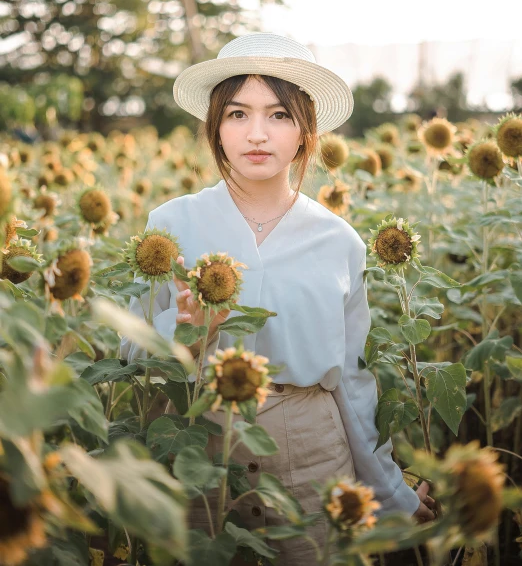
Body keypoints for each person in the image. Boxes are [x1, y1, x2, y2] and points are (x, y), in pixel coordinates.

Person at [120, 33, 436, 564]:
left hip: (311, 452)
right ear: (216, 128)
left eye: (280, 115)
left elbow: (355, 385)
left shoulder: (338, 241)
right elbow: (127, 355)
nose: (257, 134)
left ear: (306, 132)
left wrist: (389, 493)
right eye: (238, 114)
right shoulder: (171, 225)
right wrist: (188, 331)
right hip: (198, 446)